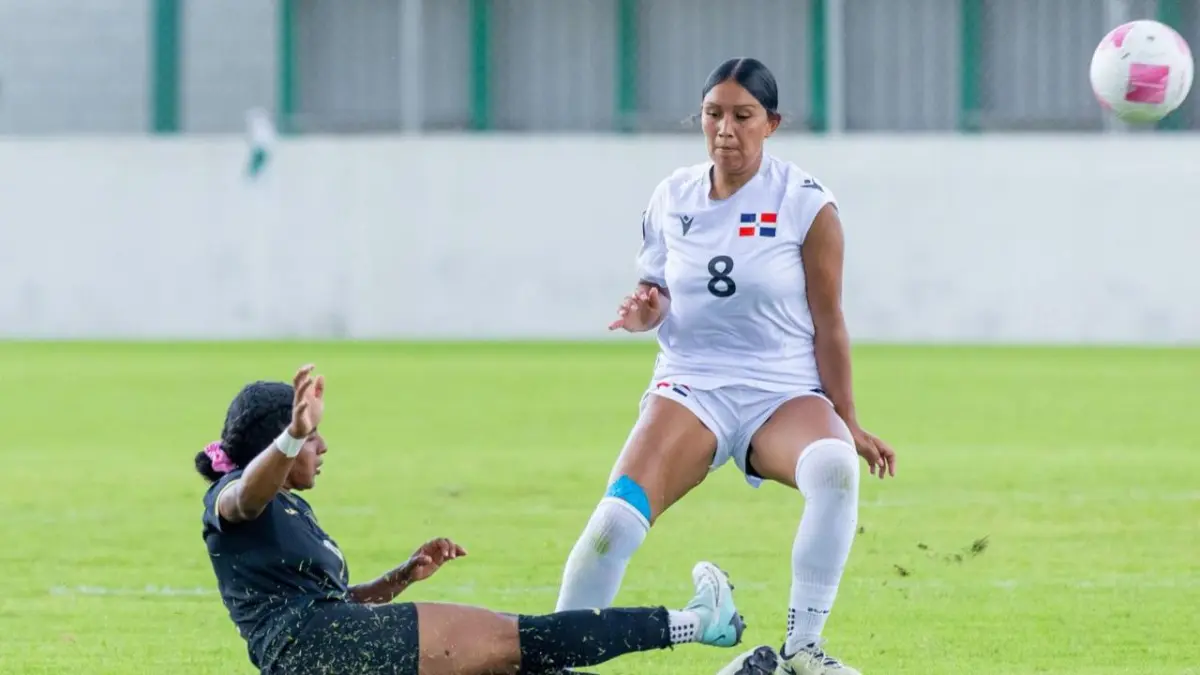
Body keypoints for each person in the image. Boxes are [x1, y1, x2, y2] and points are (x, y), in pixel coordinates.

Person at [552, 57, 898, 675]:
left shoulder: (807, 204)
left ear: (772, 124)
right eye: (714, 115)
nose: (726, 130)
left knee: (836, 469)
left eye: (743, 116)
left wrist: (849, 419)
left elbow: (831, 321)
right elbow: (654, 290)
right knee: (613, 526)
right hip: (691, 388)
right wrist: (644, 312)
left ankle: (802, 650)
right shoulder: (672, 196)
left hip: (782, 392)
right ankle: (556, 662)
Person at [196, 364, 751, 675]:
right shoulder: (233, 498)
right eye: (312, 436)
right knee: (524, 641)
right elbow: (246, 496)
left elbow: (331, 603)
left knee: (514, 668)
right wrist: (293, 433)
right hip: (320, 649)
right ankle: (701, 623)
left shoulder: (291, 506)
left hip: (328, 649)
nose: (322, 446)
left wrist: (400, 577)